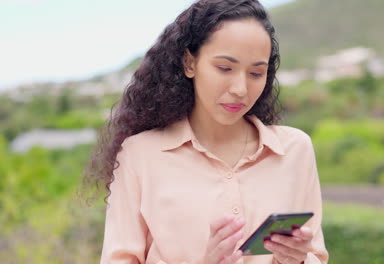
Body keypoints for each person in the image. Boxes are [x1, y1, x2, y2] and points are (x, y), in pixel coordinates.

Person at [84, 0, 328, 263]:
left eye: (256, 73)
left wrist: (296, 259)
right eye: (225, 68)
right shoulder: (140, 155)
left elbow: (316, 254)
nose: (240, 89)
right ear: (190, 63)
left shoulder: (294, 150)